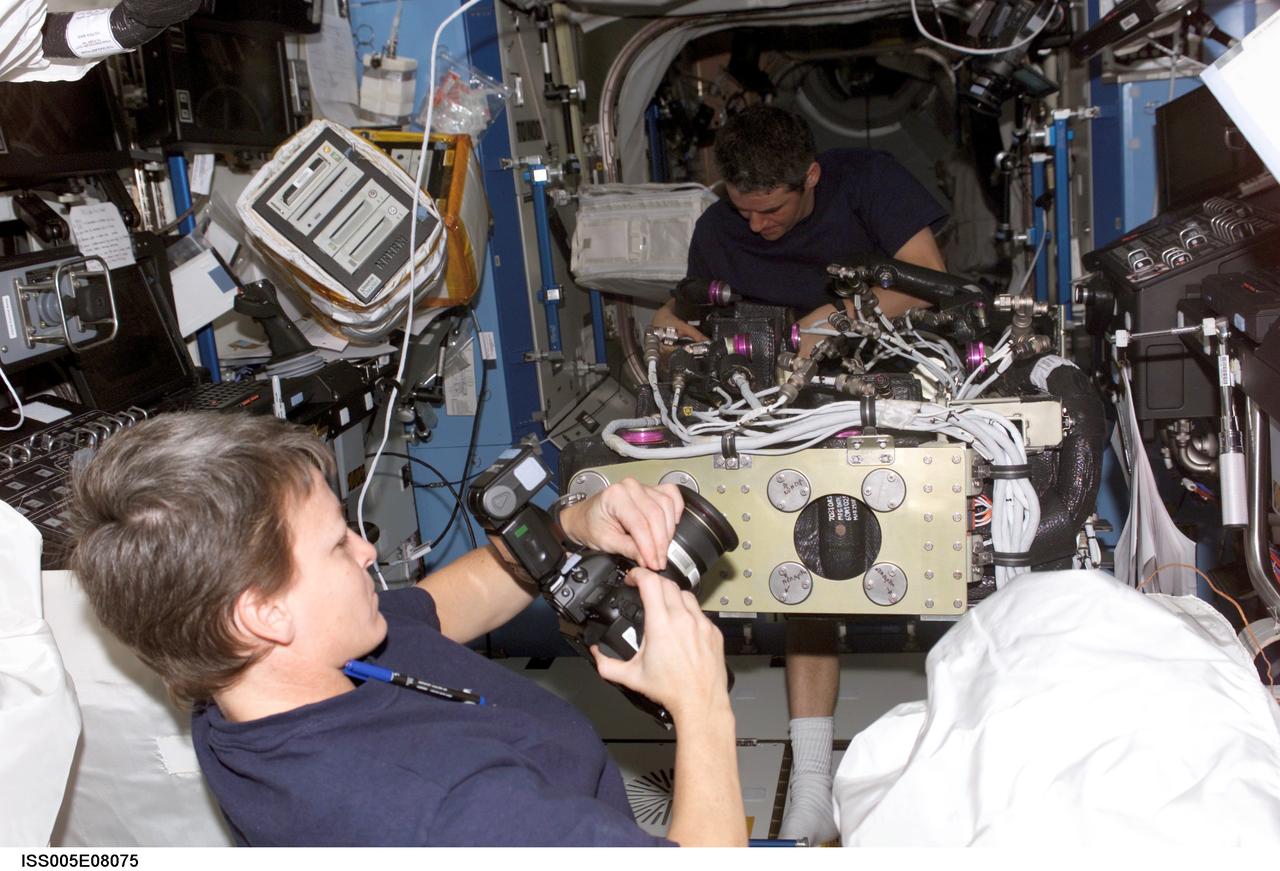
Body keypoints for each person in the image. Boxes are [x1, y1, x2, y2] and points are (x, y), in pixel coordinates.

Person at [67, 412, 746, 847]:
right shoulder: (450, 814)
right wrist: (702, 703)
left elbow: (443, 606)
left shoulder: (250, 690)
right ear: (262, 612)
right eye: (337, 544)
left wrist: (569, 527)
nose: (368, 550)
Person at [652, 104, 949, 845]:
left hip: (889, 385)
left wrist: (827, 321)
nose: (756, 226)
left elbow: (930, 280)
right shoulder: (721, 227)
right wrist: (671, 338)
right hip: (778, 406)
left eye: (773, 209)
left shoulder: (869, 183)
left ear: (810, 177)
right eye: (743, 209)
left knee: (955, 561)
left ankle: (964, 754)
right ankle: (813, 781)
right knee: (802, 565)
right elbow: (679, 310)